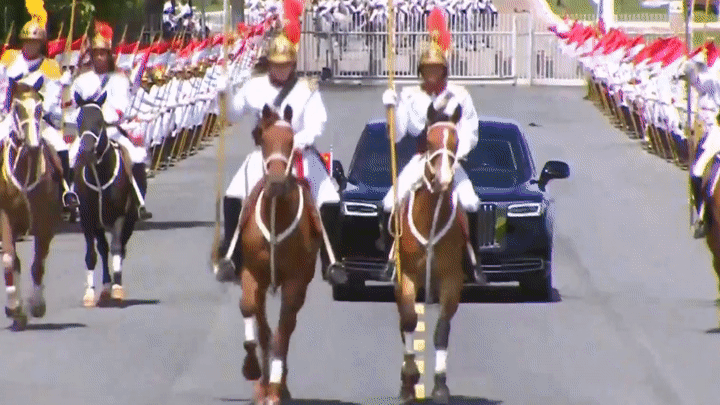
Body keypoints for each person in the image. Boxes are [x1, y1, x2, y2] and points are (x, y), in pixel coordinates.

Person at [214, 15, 347, 284]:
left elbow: (317, 123)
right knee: (233, 194)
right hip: (265, 155)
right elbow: (232, 114)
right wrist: (224, 92)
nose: (281, 70)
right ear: (269, 64)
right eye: (276, 64)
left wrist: (301, 140)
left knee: (330, 198)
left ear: (293, 64)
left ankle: (331, 261)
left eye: (285, 65)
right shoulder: (255, 86)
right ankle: (232, 256)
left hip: (299, 152)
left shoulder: (306, 89)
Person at [381, 7, 483, 282]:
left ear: (444, 69)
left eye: (436, 69)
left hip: (450, 159)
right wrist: (391, 108)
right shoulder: (410, 96)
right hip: (421, 159)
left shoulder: (459, 96)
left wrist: (454, 156)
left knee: (471, 202)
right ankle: (391, 258)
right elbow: (398, 134)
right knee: (390, 202)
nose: (432, 74)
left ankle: (473, 260)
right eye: (427, 69)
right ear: (421, 71)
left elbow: (470, 131)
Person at [68, 21, 152, 220]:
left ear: (109, 55)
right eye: (96, 53)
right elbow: (73, 106)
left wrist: (104, 117)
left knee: (136, 156)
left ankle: (139, 201)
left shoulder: (119, 79)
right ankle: (72, 196)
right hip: (88, 131)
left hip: (110, 129)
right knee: (71, 157)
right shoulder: (80, 81)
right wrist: (78, 122)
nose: (99, 57)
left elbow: (121, 106)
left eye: (103, 54)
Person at [0, 13, 79, 208]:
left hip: (38, 118)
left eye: (35, 42)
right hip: (11, 116)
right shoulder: (9, 59)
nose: (30, 46)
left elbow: (54, 99)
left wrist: (63, 83)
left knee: (61, 148)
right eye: (28, 41)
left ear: (41, 44)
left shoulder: (50, 67)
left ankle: (66, 191)